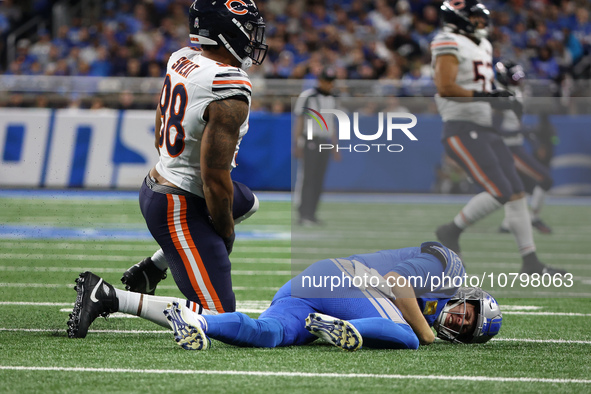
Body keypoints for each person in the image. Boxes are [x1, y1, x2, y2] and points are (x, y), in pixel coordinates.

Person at [67, 0, 268, 337]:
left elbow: (161, 123)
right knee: (219, 318)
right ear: (225, 31)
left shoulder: (183, 58)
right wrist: (225, 235)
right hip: (177, 204)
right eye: (247, 29)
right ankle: (109, 296)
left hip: (160, 180)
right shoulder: (229, 87)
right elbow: (214, 181)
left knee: (247, 201)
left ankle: (154, 266)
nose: (252, 38)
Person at [66, 241, 503, 351]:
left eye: (465, 328)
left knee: (266, 332)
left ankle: (185, 319)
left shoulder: (442, 300)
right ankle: (343, 329)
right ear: (467, 294)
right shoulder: (448, 266)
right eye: (468, 312)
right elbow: (397, 280)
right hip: (342, 280)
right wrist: (425, 334)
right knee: (407, 337)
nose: (460, 320)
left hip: (310, 291)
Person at [430, 0, 566, 275]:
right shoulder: (448, 40)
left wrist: (501, 99)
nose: (483, 23)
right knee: (500, 190)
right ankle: (450, 231)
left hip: (484, 126)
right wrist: (489, 96)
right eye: (477, 18)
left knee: (516, 192)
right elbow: (445, 87)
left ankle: (530, 261)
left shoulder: (483, 45)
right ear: (460, 18)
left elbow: (481, 85)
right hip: (460, 126)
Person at [493, 61, 554, 234]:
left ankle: (506, 225)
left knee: (518, 187)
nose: (519, 81)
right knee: (544, 179)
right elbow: (495, 129)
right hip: (509, 149)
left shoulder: (514, 94)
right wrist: (524, 131)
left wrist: (530, 138)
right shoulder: (500, 96)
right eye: (515, 78)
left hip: (516, 146)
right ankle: (533, 218)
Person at [292, 66, 341, 226]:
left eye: (331, 82)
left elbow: (331, 124)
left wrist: (335, 146)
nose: (329, 85)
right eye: (327, 81)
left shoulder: (333, 98)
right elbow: (300, 120)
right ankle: (303, 214)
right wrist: (297, 143)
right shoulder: (308, 96)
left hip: (324, 141)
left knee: (319, 179)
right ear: (320, 81)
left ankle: (312, 214)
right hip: (310, 140)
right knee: (308, 178)